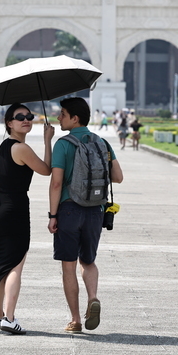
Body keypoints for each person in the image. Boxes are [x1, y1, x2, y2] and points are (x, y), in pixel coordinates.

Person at [0, 104, 54, 335]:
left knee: (4, 263)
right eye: (20, 117)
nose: (26, 120)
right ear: (9, 122)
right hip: (13, 210)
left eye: (29, 116)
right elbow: (46, 170)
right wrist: (48, 140)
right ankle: (9, 318)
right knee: (15, 265)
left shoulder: (3, 146)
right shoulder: (21, 148)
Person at [48, 97, 124, 334]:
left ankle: (75, 320)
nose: (58, 117)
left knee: (68, 267)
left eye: (62, 114)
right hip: (95, 211)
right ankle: (93, 297)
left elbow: (56, 183)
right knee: (88, 261)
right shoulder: (101, 142)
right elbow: (118, 177)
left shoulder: (63, 144)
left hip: (69, 210)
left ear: (75, 118)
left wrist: (52, 215)